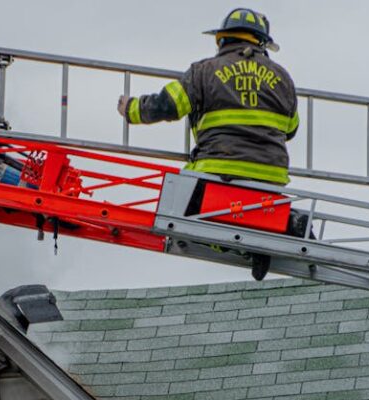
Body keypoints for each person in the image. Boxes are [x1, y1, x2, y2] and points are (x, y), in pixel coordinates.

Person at [117, 8, 299, 279]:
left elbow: (166, 105)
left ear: (221, 39)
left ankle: (239, 246)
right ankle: (277, 230)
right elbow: (291, 129)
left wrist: (131, 109)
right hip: (270, 179)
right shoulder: (283, 78)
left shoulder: (204, 72)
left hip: (219, 171)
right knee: (240, 210)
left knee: (180, 214)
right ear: (262, 43)